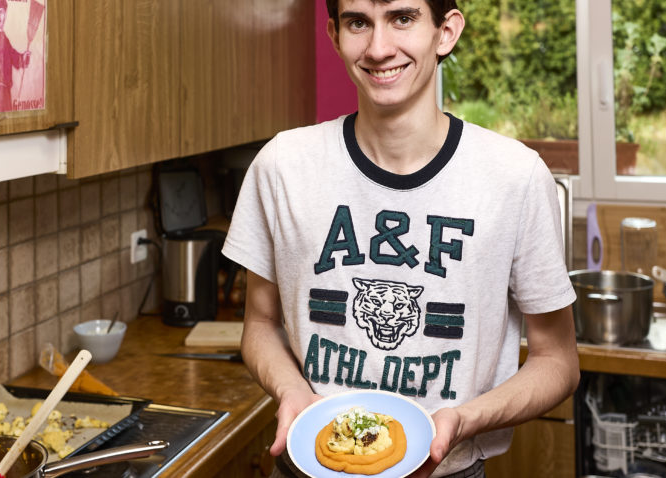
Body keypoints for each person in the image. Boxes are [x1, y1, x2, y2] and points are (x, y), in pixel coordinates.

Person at [221, 1, 580, 477]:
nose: (378, 48)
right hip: (306, 468)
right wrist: (294, 394)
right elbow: (260, 325)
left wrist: (463, 420)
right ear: (334, 35)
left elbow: (557, 360)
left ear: (446, 32)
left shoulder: (514, 177)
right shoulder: (283, 166)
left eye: (403, 18)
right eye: (358, 23)